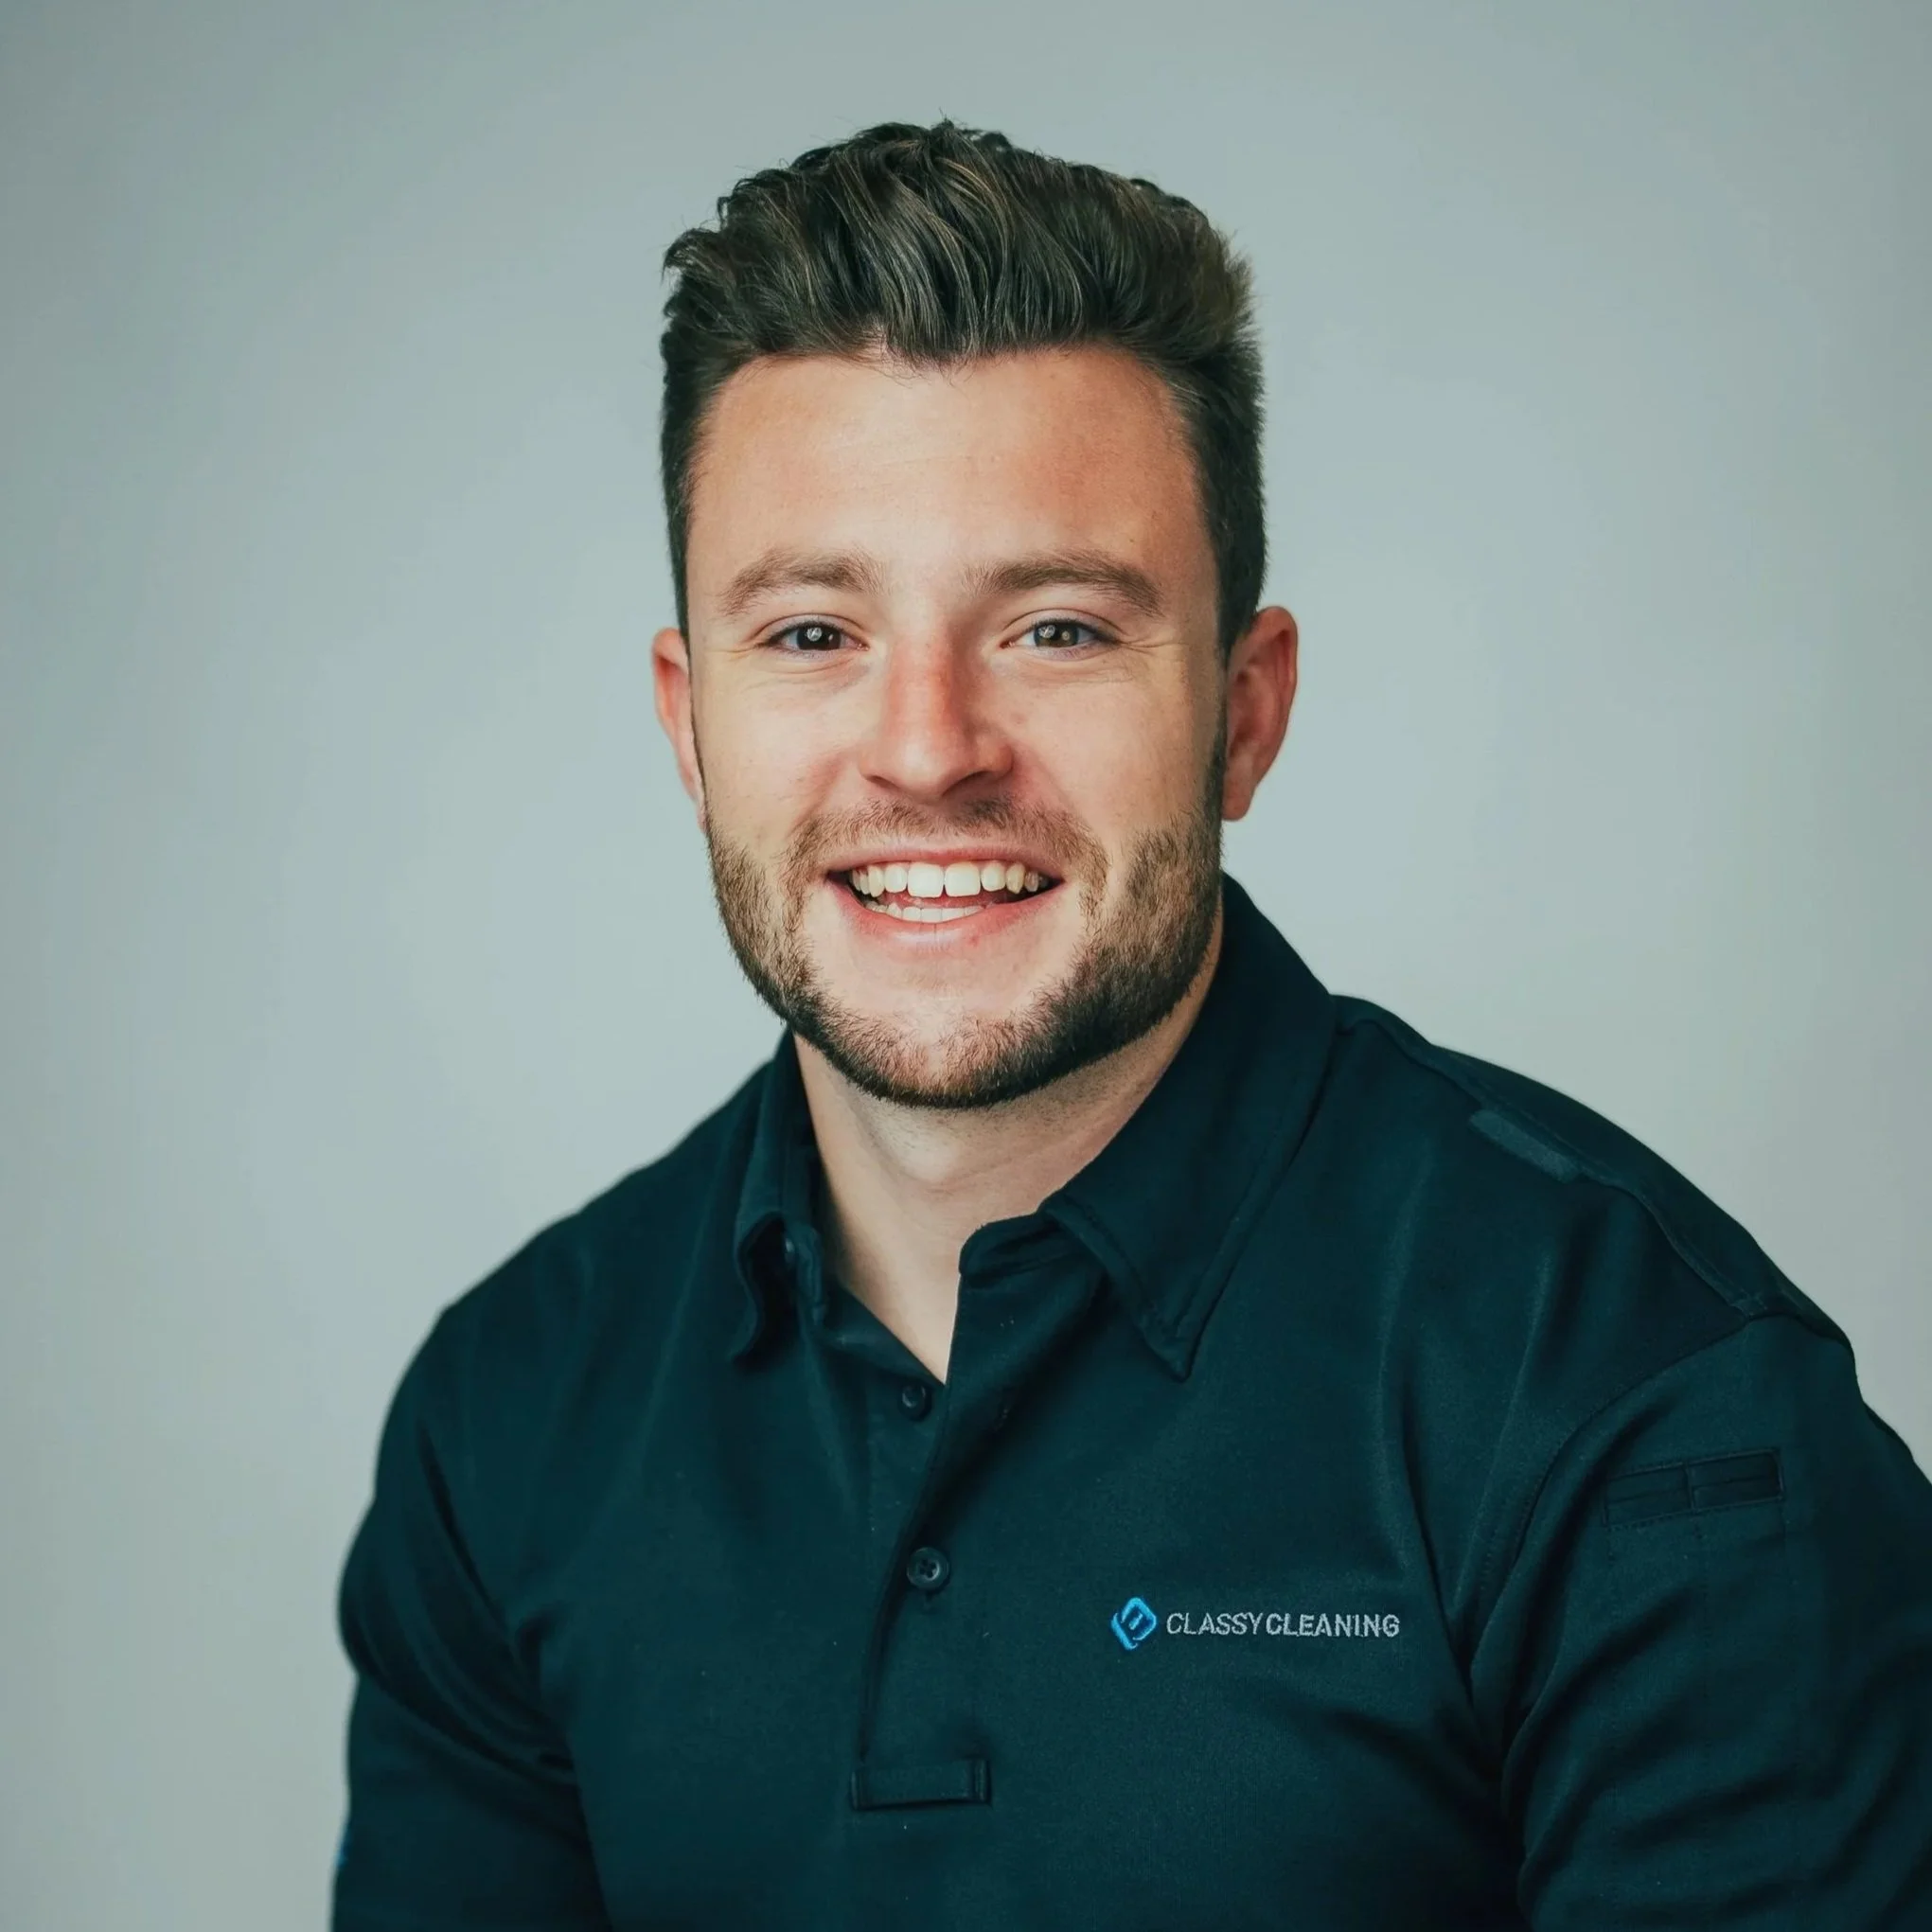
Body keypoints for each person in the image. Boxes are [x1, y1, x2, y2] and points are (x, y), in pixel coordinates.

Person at [330, 121, 1932, 1930]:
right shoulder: (511, 1415)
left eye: (1061, 629)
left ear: (1246, 714)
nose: (929, 745)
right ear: (688, 724)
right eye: (810, 634)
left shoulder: (1638, 1394)